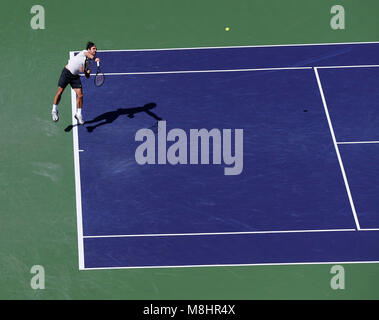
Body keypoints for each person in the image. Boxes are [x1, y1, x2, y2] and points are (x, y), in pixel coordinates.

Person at [52, 41, 100, 124]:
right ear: (89, 49)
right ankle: (54, 110)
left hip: (75, 77)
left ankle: (78, 114)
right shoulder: (84, 52)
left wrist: (85, 71)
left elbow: (87, 76)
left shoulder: (89, 63)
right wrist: (95, 58)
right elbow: (89, 55)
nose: (95, 50)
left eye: (96, 49)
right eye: (93, 49)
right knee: (60, 92)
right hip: (67, 72)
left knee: (80, 95)